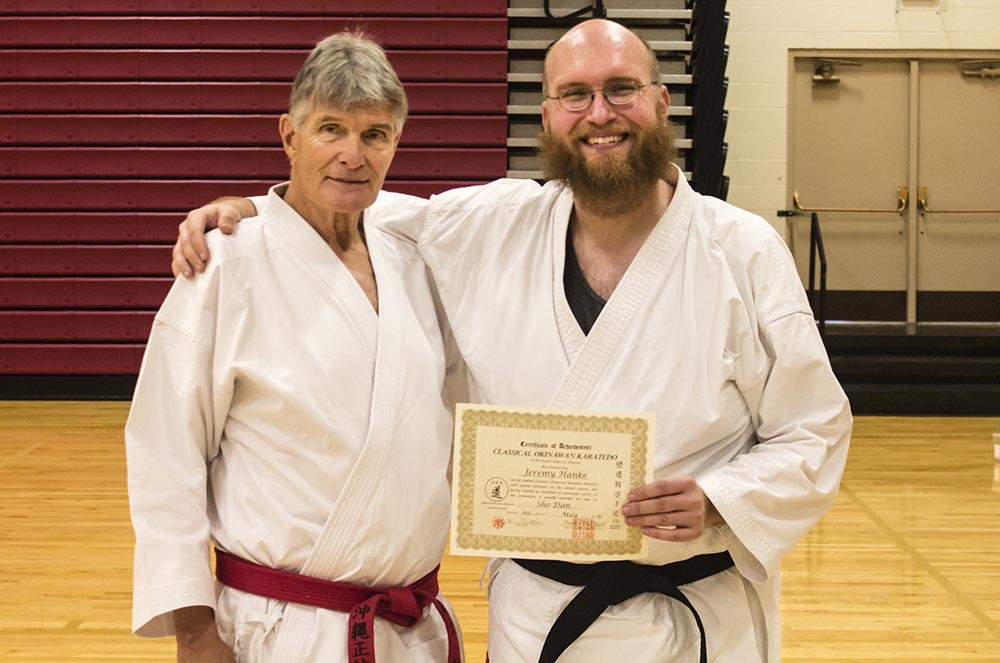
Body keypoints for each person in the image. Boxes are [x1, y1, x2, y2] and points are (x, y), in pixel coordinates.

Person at [171, 19, 852, 663]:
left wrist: (721, 498)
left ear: (662, 102)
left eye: (621, 89)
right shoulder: (497, 225)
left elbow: (814, 430)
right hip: (537, 617)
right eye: (574, 95)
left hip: (696, 616)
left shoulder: (744, 250)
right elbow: (355, 199)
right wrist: (256, 209)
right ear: (548, 114)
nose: (600, 114)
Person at [127, 31, 463, 663]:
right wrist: (194, 630)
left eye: (374, 134)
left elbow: (527, 214)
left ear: (396, 142)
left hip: (409, 624)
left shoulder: (420, 249)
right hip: (280, 627)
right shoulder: (225, 263)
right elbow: (163, 450)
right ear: (289, 136)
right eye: (329, 129)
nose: (351, 154)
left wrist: (248, 201)